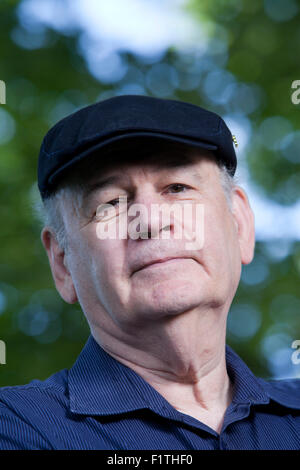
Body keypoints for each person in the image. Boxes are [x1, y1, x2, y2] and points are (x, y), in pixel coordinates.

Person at [0, 95, 299, 450]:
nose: (151, 221)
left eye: (177, 188)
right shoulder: (17, 429)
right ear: (62, 263)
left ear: (239, 226)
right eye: (110, 203)